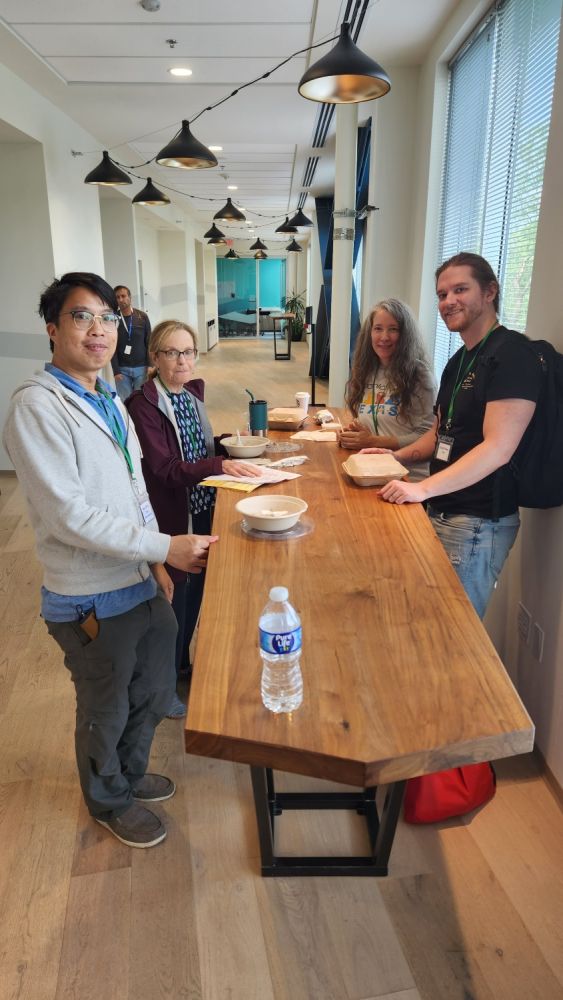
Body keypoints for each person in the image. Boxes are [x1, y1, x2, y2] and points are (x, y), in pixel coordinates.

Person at [2, 272, 218, 849]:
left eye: (106, 318)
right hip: (89, 596)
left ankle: (127, 773)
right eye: (81, 317)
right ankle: (108, 801)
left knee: (152, 689)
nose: (98, 330)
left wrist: (155, 563)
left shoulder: (107, 399)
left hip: (140, 578)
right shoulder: (37, 407)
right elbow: (67, 517)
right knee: (106, 706)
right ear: (53, 329)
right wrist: (165, 547)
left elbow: (136, 489)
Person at [365, 253, 541, 618]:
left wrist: (423, 489)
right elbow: (439, 433)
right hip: (442, 508)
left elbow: (498, 448)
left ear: (490, 291)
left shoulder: (513, 355)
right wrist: (393, 457)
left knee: (453, 629)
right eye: (442, 294)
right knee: (429, 619)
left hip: (477, 522)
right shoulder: (459, 360)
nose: (448, 301)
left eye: (460, 290)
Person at [126, 319, 261, 717]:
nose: (182, 360)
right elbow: (166, 468)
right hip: (172, 517)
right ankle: (162, 688)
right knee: (172, 606)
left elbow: (198, 448)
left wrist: (228, 446)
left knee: (195, 595)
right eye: (172, 352)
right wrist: (219, 463)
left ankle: (181, 666)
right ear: (155, 357)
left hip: (201, 507)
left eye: (188, 352)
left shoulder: (189, 394)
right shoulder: (144, 406)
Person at [339, 298, 436, 481]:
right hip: (372, 470)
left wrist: (374, 441)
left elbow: (428, 436)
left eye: (393, 329)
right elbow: (376, 422)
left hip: (408, 476)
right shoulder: (366, 370)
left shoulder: (419, 375)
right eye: (378, 329)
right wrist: (354, 433)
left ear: (405, 335)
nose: (384, 337)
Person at [111, 284, 151, 401]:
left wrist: (151, 365)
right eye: (117, 297)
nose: (121, 300)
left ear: (130, 297)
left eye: (123, 296)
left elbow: (149, 341)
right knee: (125, 401)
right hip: (122, 370)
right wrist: (116, 370)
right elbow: (111, 345)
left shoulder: (142, 317)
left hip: (142, 368)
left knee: (141, 400)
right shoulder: (113, 319)